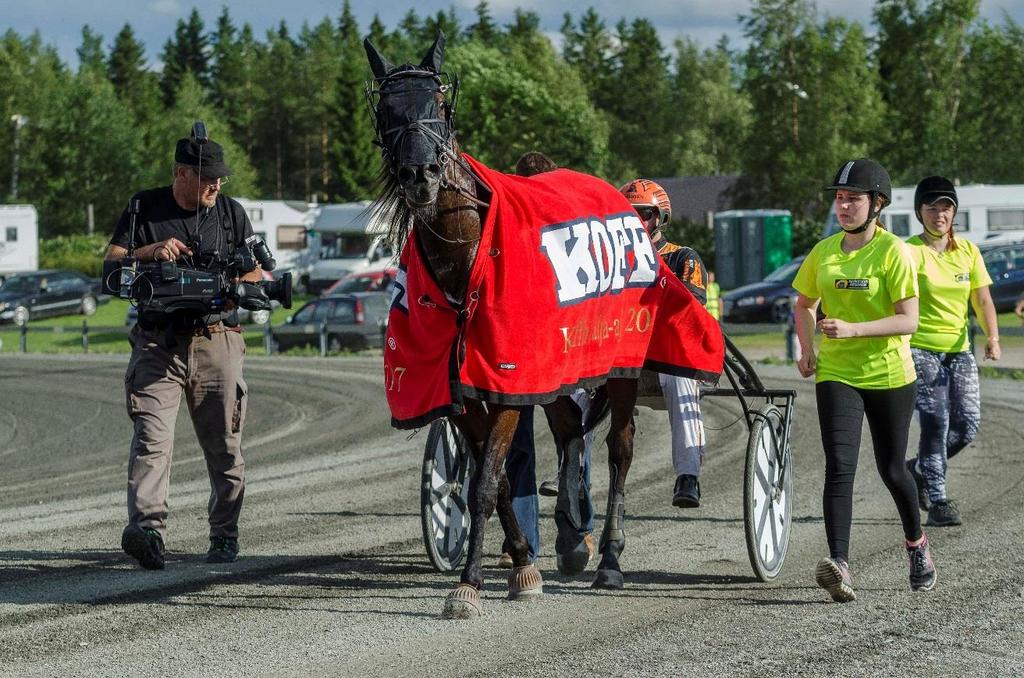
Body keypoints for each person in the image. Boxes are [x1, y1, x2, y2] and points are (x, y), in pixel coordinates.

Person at [104, 128, 260, 569]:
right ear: (181, 173)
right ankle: (148, 532)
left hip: (218, 341)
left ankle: (224, 536)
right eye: (208, 177)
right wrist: (150, 252)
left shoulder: (230, 213)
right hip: (158, 344)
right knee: (151, 439)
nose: (216, 186)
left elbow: (259, 275)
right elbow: (111, 270)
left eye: (220, 179)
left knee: (224, 445)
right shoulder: (143, 209)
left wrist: (232, 288)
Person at [793, 158, 936, 602]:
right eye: (839, 198)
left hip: (890, 373)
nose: (843, 206)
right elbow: (804, 304)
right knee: (839, 466)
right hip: (838, 372)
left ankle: (917, 545)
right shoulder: (824, 252)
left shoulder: (895, 252)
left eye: (852, 198)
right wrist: (808, 347)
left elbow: (908, 320)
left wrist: (853, 329)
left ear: (876, 203)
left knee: (893, 469)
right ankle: (840, 565)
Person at [499, 151, 595, 567]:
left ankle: (575, 531)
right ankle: (535, 540)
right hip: (531, 351)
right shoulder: (514, 227)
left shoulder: (567, 227)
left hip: (554, 350)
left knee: (561, 442)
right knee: (563, 442)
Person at [905, 176, 1000, 527]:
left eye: (945, 207)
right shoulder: (909, 252)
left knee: (967, 425)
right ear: (920, 212)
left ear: (954, 212)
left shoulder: (968, 251)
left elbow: (983, 298)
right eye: (931, 207)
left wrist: (993, 336)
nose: (939, 213)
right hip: (920, 348)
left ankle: (917, 468)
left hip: (959, 349)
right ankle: (939, 499)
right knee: (936, 421)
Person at [619, 179, 709, 508]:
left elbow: (689, 310)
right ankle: (570, 466)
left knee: (679, 376)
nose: (636, 222)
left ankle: (688, 475)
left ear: (661, 219)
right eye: (627, 215)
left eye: (643, 214)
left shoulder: (683, 257)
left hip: (669, 359)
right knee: (581, 382)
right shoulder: (614, 259)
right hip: (625, 357)